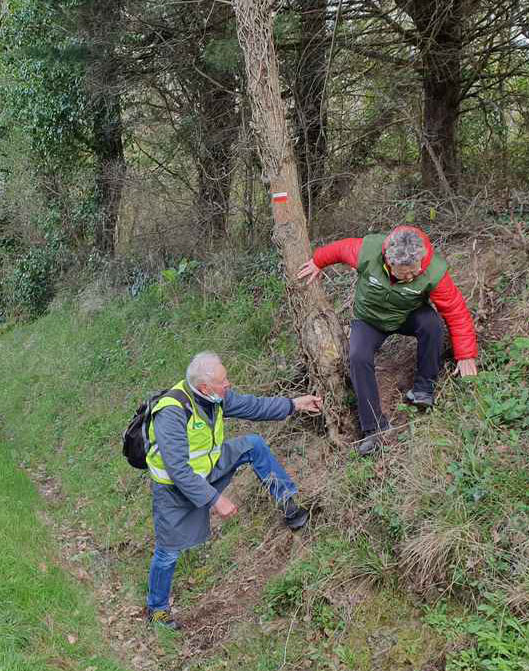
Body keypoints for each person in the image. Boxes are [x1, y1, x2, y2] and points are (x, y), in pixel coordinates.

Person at [145, 352, 322, 629]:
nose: (228, 384)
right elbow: (179, 470)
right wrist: (215, 499)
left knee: (253, 445)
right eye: (223, 381)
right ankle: (157, 610)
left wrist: (293, 405)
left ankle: (288, 502)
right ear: (204, 387)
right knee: (168, 552)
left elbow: (253, 406)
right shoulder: (172, 412)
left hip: (209, 466)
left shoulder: (213, 397)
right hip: (174, 490)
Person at [297, 225, 478, 455]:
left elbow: (455, 310)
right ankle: (374, 429)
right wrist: (317, 261)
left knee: (432, 323)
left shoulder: (432, 270)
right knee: (358, 356)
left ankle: (424, 389)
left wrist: (465, 354)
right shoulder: (368, 252)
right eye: (406, 273)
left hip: (406, 315)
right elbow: (340, 250)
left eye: (416, 271)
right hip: (370, 320)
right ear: (389, 263)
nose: (413, 276)